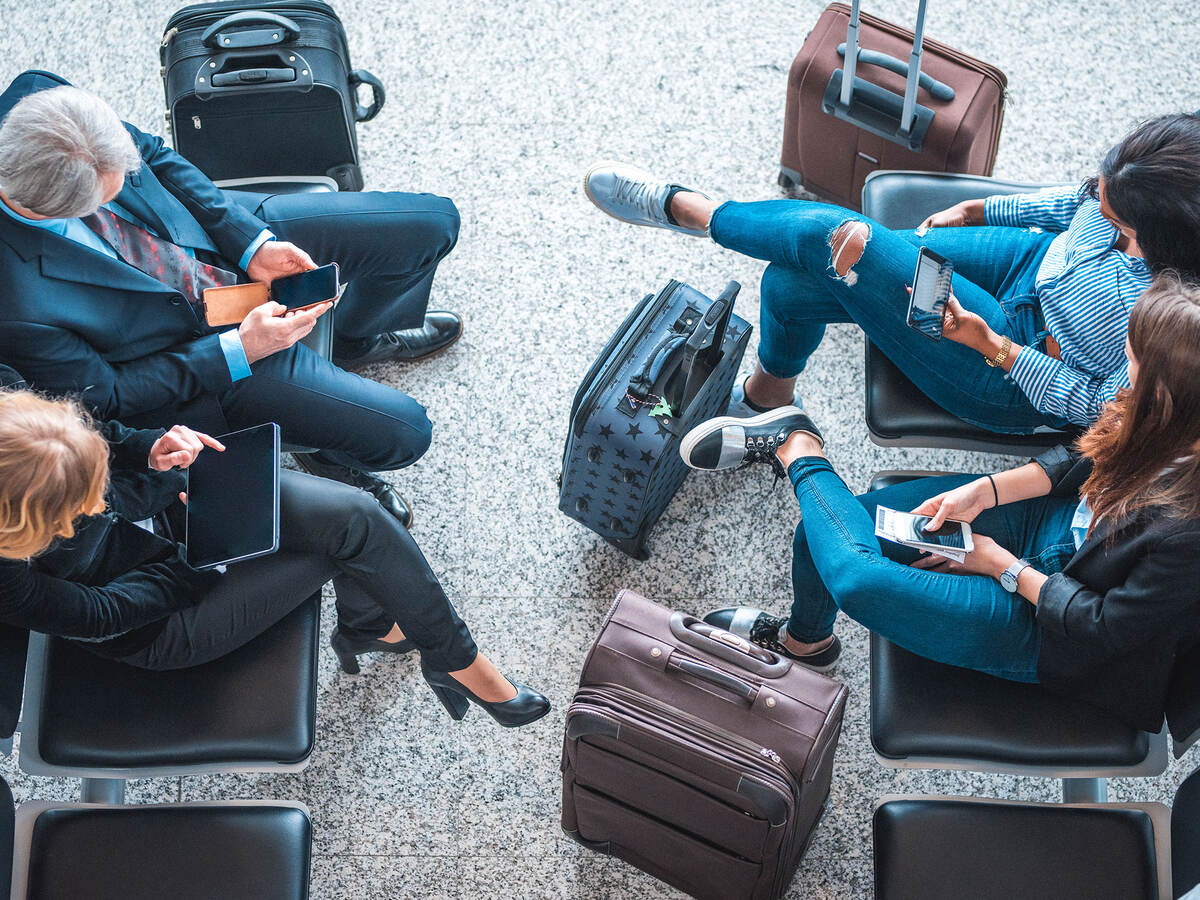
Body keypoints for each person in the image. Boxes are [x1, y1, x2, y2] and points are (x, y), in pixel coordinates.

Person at [679, 274, 1200, 732]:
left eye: (1132, 368)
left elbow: (1104, 627)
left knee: (857, 576)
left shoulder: (1189, 535)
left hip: (1058, 632)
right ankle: (805, 643)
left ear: (1171, 402)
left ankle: (798, 447)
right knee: (824, 533)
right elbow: (1084, 453)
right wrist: (988, 490)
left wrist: (1001, 565)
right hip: (1064, 525)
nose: (1120, 381)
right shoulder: (1161, 414)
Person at [0, 70, 466, 527]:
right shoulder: (16, 306)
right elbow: (111, 395)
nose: (122, 187)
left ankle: (353, 340)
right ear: (55, 208)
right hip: (197, 349)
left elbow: (155, 156)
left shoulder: (39, 97)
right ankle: (323, 451)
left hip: (213, 237)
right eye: (105, 199)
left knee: (433, 224)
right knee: (407, 434)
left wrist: (251, 242)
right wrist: (242, 349)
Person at [583, 113, 1200, 433]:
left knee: (836, 241)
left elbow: (1100, 407)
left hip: (1018, 361)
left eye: (1124, 233)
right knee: (788, 283)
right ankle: (770, 398)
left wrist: (998, 347)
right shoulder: (1154, 176)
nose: (1109, 229)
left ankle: (690, 209)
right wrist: (981, 207)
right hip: (1029, 262)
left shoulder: (1181, 326)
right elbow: (1076, 202)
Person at [0, 369, 548, 728]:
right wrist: (201, 566)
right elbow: (101, 615)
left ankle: (437, 651)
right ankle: (384, 632)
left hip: (169, 502)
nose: (97, 502)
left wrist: (148, 447)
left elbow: (104, 435)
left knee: (358, 514)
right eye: (80, 506)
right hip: (158, 616)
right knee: (346, 546)